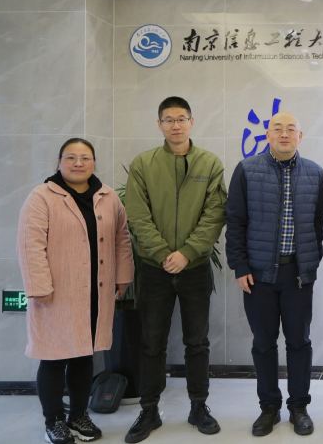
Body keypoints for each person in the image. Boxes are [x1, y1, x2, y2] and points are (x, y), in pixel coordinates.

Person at [123, 97, 227, 443]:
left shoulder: (209, 163)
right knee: (151, 342)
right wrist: (163, 253)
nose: (176, 125)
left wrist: (187, 253)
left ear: (192, 122)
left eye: (181, 118)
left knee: (197, 341)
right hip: (154, 269)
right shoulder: (144, 164)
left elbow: (215, 214)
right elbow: (137, 215)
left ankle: (199, 406)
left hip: (195, 268)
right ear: (159, 125)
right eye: (169, 119)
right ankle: (149, 410)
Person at [18, 138, 134, 444]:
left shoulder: (108, 197)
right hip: (56, 294)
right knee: (54, 357)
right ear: (59, 162)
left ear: (94, 162)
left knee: (84, 357)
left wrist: (123, 276)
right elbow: (30, 245)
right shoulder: (42, 197)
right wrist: (39, 287)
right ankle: (54, 420)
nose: (78, 163)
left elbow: (122, 238)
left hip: (96, 292)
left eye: (85, 157)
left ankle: (79, 415)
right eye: (71, 157)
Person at [226, 112, 323, 437]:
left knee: (299, 342)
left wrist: (310, 263)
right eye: (277, 129)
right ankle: (269, 407)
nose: (284, 134)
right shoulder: (247, 170)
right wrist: (240, 266)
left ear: (300, 136)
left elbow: (318, 223)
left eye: (290, 129)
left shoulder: (314, 173)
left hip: (297, 275)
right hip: (258, 276)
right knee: (264, 344)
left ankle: (299, 407)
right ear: (268, 135)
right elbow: (235, 221)